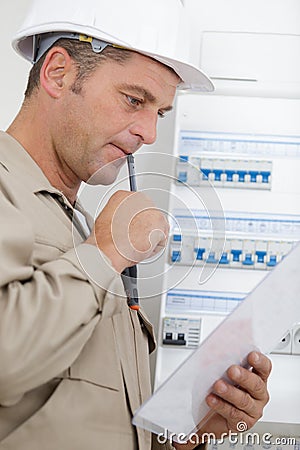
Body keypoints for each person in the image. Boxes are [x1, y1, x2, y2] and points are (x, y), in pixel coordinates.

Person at [0, 0, 272, 449]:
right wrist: (106, 252)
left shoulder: (83, 230)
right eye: (134, 100)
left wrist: (197, 434)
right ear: (57, 73)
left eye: (159, 113)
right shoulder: (96, 243)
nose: (149, 132)